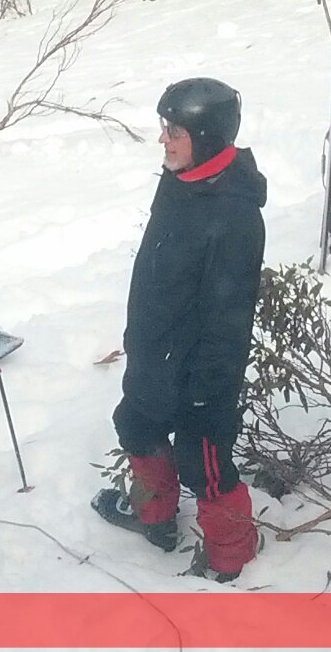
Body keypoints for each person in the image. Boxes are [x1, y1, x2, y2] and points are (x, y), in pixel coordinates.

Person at [93, 78, 267, 583]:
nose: (164, 139)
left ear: (208, 136)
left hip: (200, 371)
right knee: (137, 425)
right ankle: (155, 519)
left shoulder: (234, 216)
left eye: (175, 130)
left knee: (203, 463)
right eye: (164, 126)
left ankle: (232, 559)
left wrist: (208, 388)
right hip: (154, 352)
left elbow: (228, 318)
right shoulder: (180, 178)